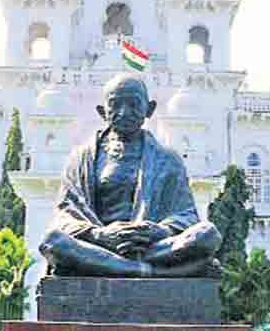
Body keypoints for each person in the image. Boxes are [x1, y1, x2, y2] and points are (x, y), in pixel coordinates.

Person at [40, 74, 221, 277]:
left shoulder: (168, 159)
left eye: (134, 104)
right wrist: (100, 235)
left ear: (149, 109)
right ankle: (144, 270)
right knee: (52, 241)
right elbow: (65, 215)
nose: (124, 112)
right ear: (102, 112)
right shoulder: (81, 159)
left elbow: (186, 215)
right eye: (115, 105)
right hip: (100, 244)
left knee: (207, 234)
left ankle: (117, 267)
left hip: (151, 246)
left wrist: (158, 231)